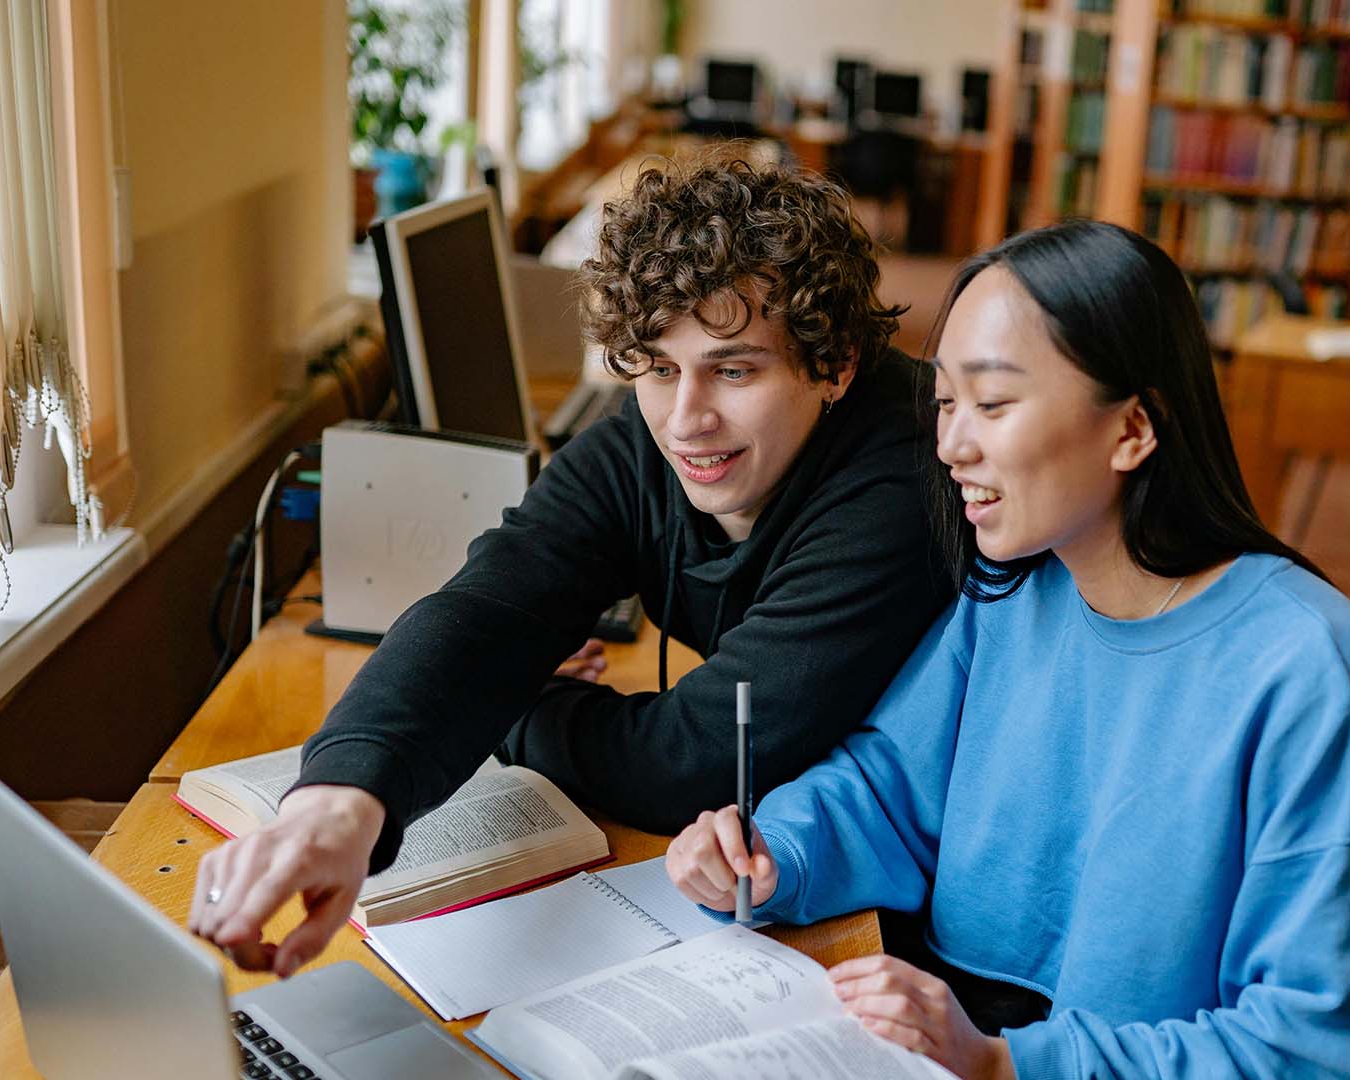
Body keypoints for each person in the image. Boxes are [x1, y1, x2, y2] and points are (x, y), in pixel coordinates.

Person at [668, 220, 1350, 1080]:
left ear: (1133, 429)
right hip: (969, 1029)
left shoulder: (1309, 669)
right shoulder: (1017, 585)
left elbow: (1306, 1050)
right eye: (945, 402)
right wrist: (770, 855)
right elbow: (888, 787)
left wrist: (1004, 1065)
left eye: (992, 402)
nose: (950, 444)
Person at [188, 158, 953, 978]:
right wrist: (339, 802)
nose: (686, 420)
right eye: (658, 367)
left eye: (733, 369)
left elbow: (693, 760)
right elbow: (492, 604)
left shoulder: (904, 473)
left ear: (833, 362)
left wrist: (526, 701)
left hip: (914, 929)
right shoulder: (649, 434)